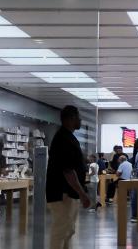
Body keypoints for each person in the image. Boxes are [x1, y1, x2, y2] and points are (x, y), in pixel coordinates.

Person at [46, 106, 90, 249]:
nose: (80, 120)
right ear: (71, 118)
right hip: (61, 193)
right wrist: (82, 193)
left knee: (68, 229)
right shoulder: (63, 139)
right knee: (61, 229)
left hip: (69, 193)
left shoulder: (69, 137)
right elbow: (68, 171)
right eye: (78, 117)